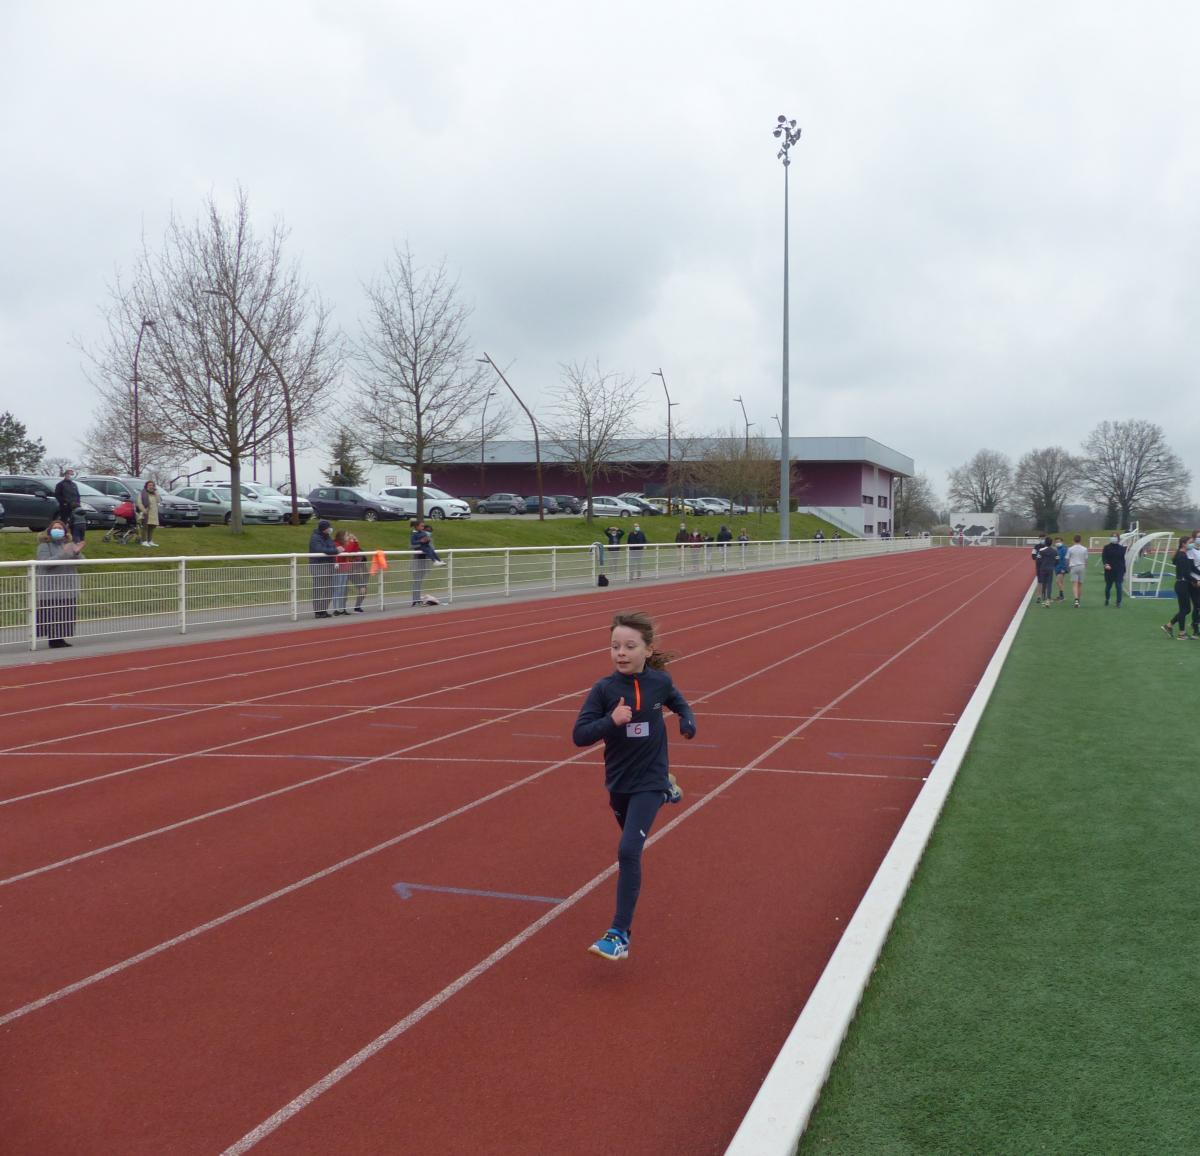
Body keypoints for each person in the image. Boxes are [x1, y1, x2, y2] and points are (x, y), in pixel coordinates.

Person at [572, 611, 696, 961]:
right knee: (628, 837)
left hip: (649, 778)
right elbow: (579, 735)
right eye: (615, 647)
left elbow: (677, 700)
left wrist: (687, 719)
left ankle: (619, 934)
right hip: (619, 782)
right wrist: (611, 721)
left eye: (629, 646)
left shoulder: (660, 682)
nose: (621, 653)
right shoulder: (604, 690)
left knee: (628, 852)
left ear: (647, 650)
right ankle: (668, 790)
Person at [36, 518, 84, 648]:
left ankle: (60, 638)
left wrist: (77, 552)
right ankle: (53, 639)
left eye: (60, 528)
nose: (57, 530)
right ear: (49, 531)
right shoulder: (44, 546)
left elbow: (81, 561)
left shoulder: (69, 544)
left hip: (68, 586)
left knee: (66, 612)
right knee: (52, 613)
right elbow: (45, 563)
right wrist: (64, 554)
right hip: (50, 587)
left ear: (65, 531)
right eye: (55, 528)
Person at [1162, 536, 1197, 640]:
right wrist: (1196, 581)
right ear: (1183, 544)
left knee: (1185, 609)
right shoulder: (1182, 556)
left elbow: (1189, 570)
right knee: (1185, 609)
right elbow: (1186, 573)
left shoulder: (1182, 554)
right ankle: (1181, 633)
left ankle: (1169, 626)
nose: (1192, 544)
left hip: (1183, 584)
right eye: (1190, 542)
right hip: (1182, 585)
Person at [308, 519, 338, 618]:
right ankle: (318, 612)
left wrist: (334, 551)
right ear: (324, 529)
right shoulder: (315, 537)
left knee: (329, 588)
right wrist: (335, 551)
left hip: (329, 566)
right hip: (318, 566)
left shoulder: (328, 537)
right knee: (318, 589)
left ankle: (323, 609)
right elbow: (319, 550)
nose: (330, 529)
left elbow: (332, 547)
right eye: (329, 527)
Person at [410, 518, 443, 607]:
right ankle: (415, 600)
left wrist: (427, 542)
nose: (429, 533)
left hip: (424, 562)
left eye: (430, 532)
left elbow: (431, 549)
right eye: (427, 531)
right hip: (417, 561)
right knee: (417, 581)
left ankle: (417, 599)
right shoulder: (416, 535)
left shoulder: (428, 538)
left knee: (419, 581)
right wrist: (421, 542)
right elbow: (412, 546)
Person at [344, 529, 369, 612]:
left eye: (354, 539)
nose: (353, 541)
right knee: (343, 591)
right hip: (344, 572)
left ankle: (357, 607)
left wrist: (364, 581)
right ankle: (341, 609)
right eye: (350, 539)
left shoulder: (360, 552)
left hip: (354, 574)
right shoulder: (344, 549)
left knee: (363, 589)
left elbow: (364, 566)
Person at [54, 468, 82, 540]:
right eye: (69, 474)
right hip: (65, 506)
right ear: (66, 474)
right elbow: (57, 495)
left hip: (74, 506)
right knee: (64, 521)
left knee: (74, 521)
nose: (71, 475)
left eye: (72, 474)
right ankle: (61, 535)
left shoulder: (74, 484)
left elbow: (77, 495)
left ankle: (74, 536)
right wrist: (64, 503)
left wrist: (78, 503)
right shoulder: (60, 484)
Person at [1101, 533, 1127, 607]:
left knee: (1118, 586)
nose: (1113, 538)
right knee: (1108, 586)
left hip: (1119, 570)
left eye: (1115, 537)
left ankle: (1118, 602)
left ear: (1118, 539)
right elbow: (1104, 557)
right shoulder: (1106, 547)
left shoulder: (1122, 548)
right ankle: (1107, 599)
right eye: (1112, 536)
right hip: (1109, 570)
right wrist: (1106, 564)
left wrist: (1124, 570)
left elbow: (1123, 559)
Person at [331, 529, 352, 615]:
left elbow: (351, 551)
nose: (348, 537)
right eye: (346, 535)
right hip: (338, 570)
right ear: (341, 536)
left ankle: (342, 608)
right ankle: (336, 609)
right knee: (337, 589)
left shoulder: (345, 544)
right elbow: (338, 555)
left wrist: (355, 542)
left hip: (344, 569)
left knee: (343, 589)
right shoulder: (336, 544)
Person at [1065, 535, 1089, 607]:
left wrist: (1068, 567)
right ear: (1080, 540)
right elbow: (1086, 559)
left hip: (1073, 566)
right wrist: (1085, 567)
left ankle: (1076, 600)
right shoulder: (1084, 549)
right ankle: (1079, 600)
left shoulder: (1070, 549)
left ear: (1073, 540)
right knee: (1080, 585)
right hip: (1081, 566)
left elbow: (1067, 559)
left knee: (1074, 584)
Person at [137, 480, 161, 547]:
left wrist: (156, 492)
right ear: (146, 486)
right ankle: (144, 541)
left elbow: (158, 501)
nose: (151, 486)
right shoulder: (142, 493)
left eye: (152, 485)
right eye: (149, 485)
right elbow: (139, 503)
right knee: (145, 527)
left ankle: (150, 541)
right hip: (146, 512)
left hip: (153, 512)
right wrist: (143, 510)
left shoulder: (154, 493)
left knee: (152, 526)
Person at [1035, 536, 1056, 606]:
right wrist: (1052, 565)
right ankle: (1048, 599)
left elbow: (1038, 560)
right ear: (1051, 543)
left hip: (1043, 569)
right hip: (1050, 569)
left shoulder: (1041, 550)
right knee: (1049, 584)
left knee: (1043, 583)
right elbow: (1057, 560)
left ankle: (1043, 599)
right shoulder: (1054, 551)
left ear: (1045, 543)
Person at [1053, 537, 1068, 602]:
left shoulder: (1064, 549)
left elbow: (1065, 559)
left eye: (1059, 541)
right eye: (1056, 542)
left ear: (1062, 542)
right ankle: (1061, 595)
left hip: (1062, 568)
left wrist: (1063, 568)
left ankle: (1062, 596)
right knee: (1061, 582)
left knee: (1058, 581)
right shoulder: (1057, 549)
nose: (1057, 543)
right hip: (1057, 567)